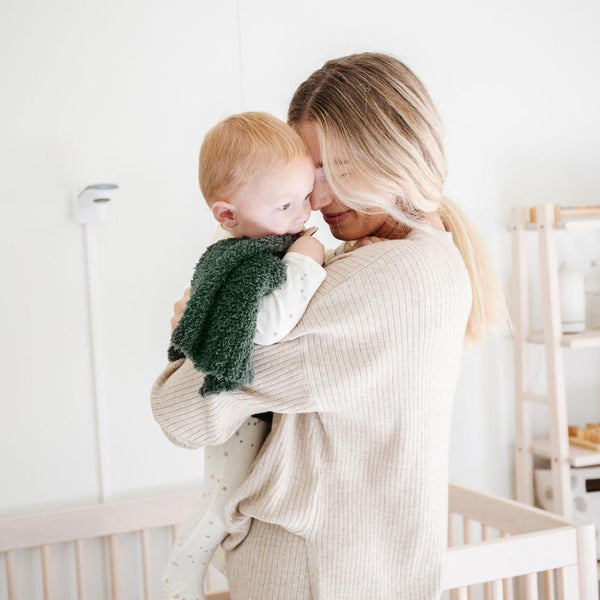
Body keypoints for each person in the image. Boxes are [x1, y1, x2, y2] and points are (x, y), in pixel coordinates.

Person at [152, 52, 506, 600]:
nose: (314, 198)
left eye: (331, 168)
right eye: (306, 172)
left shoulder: (388, 279)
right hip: (350, 568)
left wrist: (195, 320)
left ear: (390, 151)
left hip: (317, 569)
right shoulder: (416, 259)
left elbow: (184, 412)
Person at [162, 112, 327, 600]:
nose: (302, 215)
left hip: (248, 416)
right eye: (284, 205)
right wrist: (307, 260)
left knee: (227, 504)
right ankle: (179, 583)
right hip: (235, 416)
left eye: (304, 198)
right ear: (227, 215)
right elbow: (269, 327)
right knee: (221, 506)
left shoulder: (258, 248)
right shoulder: (243, 263)